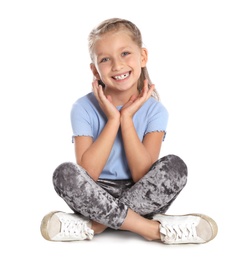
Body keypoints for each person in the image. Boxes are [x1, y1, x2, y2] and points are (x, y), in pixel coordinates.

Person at [40, 18, 218, 245]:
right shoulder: (82, 108)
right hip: (94, 193)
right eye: (105, 59)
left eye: (125, 53)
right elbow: (88, 174)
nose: (117, 65)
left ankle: (94, 225)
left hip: (140, 192)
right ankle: (152, 229)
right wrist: (113, 119)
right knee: (64, 173)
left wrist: (127, 120)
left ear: (142, 57)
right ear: (95, 70)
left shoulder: (156, 110)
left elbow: (142, 175)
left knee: (176, 167)